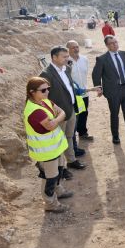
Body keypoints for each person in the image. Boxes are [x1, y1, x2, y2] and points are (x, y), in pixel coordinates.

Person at [23, 77, 74, 212]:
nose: (47, 92)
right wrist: (56, 120)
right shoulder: (35, 111)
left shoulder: (44, 102)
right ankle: (51, 204)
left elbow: (63, 112)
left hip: (56, 148)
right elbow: (52, 124)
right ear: (32, 92)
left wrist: (54, 120)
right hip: (46, 152)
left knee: (59, 172)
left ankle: (59, 191)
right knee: (49, 179)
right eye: (43, 90)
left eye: (48, 89)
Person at [39, 46, 87, 178]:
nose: (67, 59)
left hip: (70, 109)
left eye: (67, 56)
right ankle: (61, 168)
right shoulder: (46, 74)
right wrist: (54, 112)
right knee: (58, 142)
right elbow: (42, 97)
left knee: (69, 137)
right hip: (58, 114)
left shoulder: (66, 70)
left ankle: (71, 161)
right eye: (64, 57)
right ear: (54, 58)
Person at [92, 35, 125, 144]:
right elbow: (96, 75)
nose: (115, 44)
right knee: (114, 114)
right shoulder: (102, 59)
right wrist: (99, 88)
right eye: (111, 43)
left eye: (115, 42)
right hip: (112, 91)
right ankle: (115, 136)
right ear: (107, 45)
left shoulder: (124, 54)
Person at [67, 40, 94, 141]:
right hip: (72, 94)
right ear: (68, 49)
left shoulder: (84, 59)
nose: (76, 49)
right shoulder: (66, 62)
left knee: (84, 112)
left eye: (77, 47)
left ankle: (83, 133)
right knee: (74, 115)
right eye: (73, 47)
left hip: (84, 92)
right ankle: (72, 137)